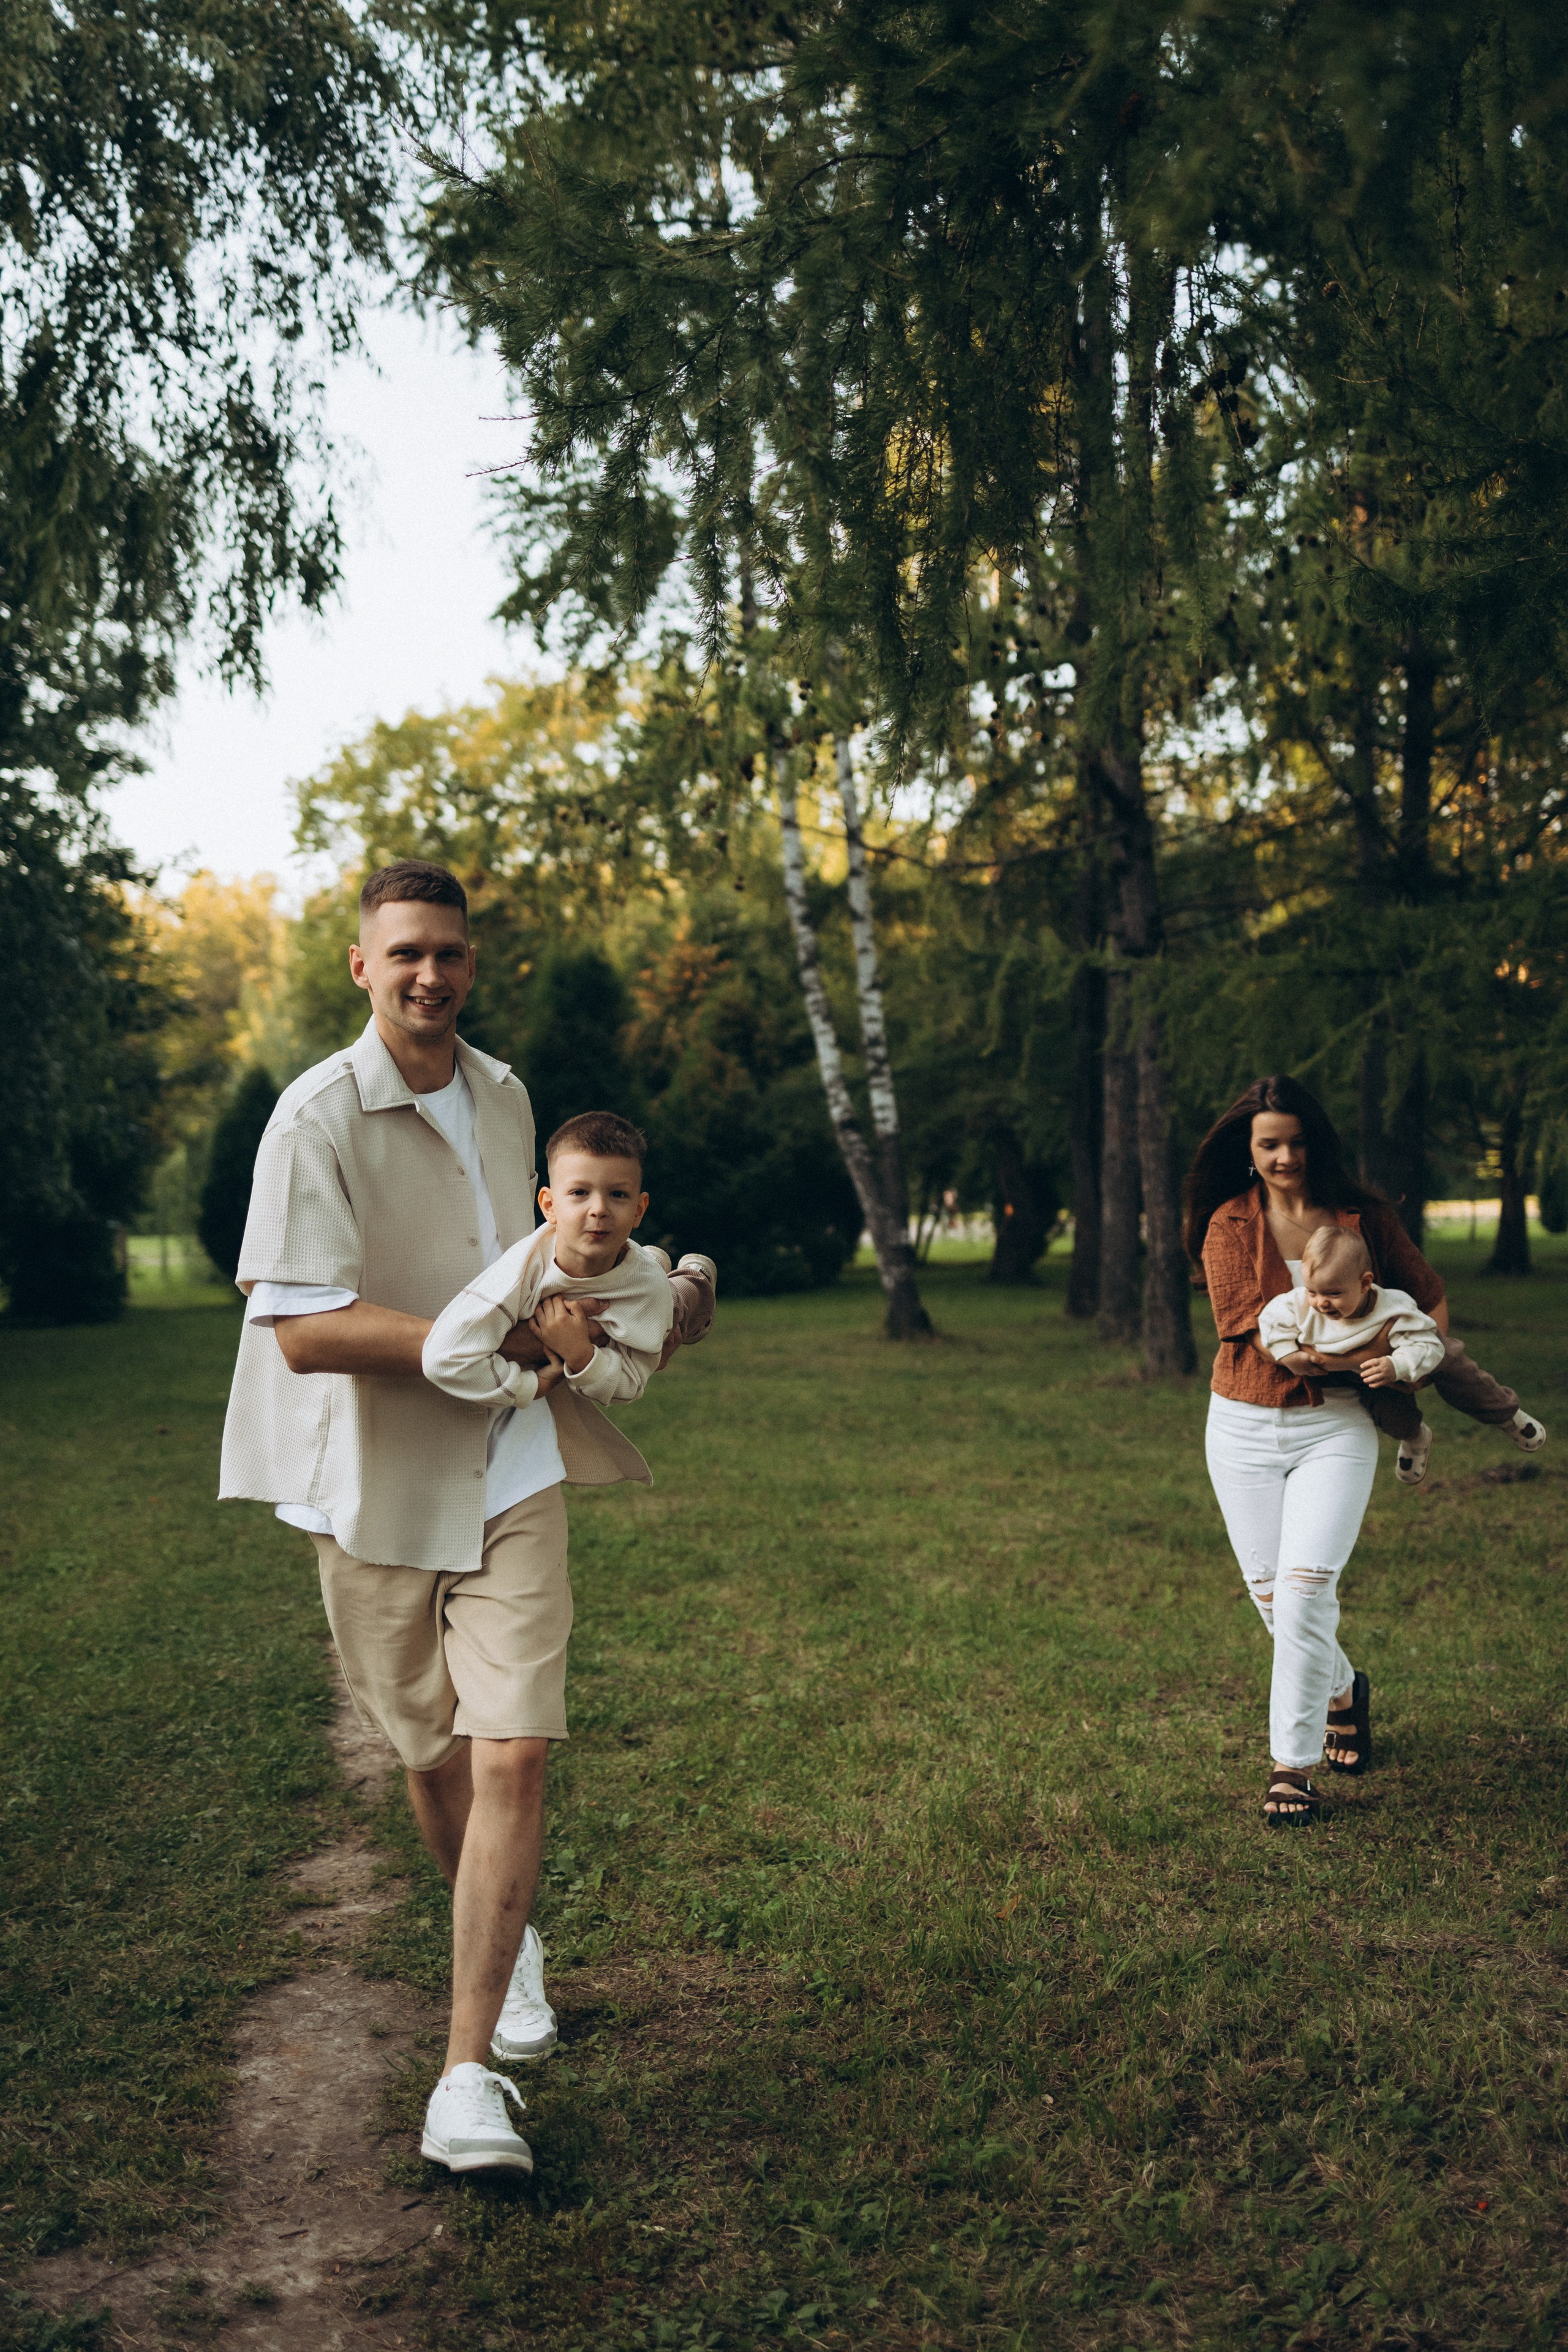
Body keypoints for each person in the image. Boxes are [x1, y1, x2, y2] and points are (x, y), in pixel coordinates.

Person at [219, 859, 717, 2175]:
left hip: (511, 1461)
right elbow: (304, 1330)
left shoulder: (505, 1095)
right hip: (371, 1478)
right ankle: (506, 1931)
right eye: (404, 954)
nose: (427, 973)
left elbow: (564, 1259)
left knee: (514, 1755)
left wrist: (649, 1301)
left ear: (470, 963)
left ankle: (463, 2078)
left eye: (448, 951)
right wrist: (499, 1340)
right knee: (432, 1755)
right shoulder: (311, 1117)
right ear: (362, 967)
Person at [1185, 1073, 1546, 1826]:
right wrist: (1330, 1353)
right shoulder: (1229, 1222)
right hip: (1244, 1424)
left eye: (1297, 1140)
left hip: (1339, 1427)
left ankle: (1292, 1766)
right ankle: (1343, 1691)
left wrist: (1413, 1355)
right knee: (1272, 1600)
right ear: (1249, 1152)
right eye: (1269, 1144)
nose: (1286, 1156)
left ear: (1317, 1142)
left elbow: (1426, 1296)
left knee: (1307, 1590)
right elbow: (1241, 1327)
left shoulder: (1364, 1220)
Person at [423, 1112, 676, 1413]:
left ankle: (690, 1284)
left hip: (655, 1293)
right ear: (549, 1206)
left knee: (682, 1307)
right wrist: (527, 1386)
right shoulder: (520, 1271)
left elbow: (631, 1384)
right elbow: (442, 1358)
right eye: (580, 1193)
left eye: (618, 1194)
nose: (599, 1209)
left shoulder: (647, 1288)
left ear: (639, 1209)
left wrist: (580, 1353)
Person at [1259, 1226, 1446, 1399]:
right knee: (1397, 1419)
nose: (1321, 1303)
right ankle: (1414, 1433)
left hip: (1391, 1365)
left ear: (1364, 1284)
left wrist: (1397, 1365)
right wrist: (1286, 1353)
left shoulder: (1393, 1309)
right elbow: (1271, 1320)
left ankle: (1475, 1398)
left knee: (1457, 1367)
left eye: (1334, 1293)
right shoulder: (1298, 1303)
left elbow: (1427, 1345)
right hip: (1353, 1380)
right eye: (1312, 1291)